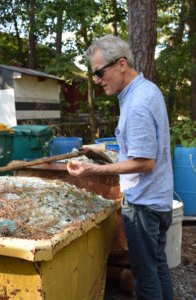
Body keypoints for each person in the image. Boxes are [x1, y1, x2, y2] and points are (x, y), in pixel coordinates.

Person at [67, 34, 174, 300]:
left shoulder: (137, 103)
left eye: (100, 72)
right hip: (159, 202)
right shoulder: (146, 90)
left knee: (146, 279)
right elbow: (144, 149)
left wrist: (92, 170)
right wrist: (108, 152)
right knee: (159, 267)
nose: (97, 80)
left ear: (121, 64)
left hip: (144, 207)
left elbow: (144, 163)